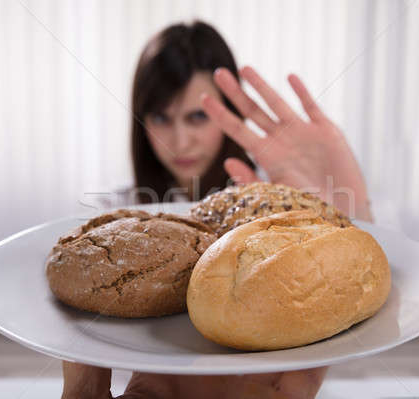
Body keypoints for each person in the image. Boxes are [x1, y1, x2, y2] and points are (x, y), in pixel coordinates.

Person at [63, 20, 371, 399]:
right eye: (161, 117)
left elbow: (360, 296)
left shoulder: (275, 204)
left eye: (197, 116)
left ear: (228, 113)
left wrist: (349, 216)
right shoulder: (117, 215)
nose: (179, 141)